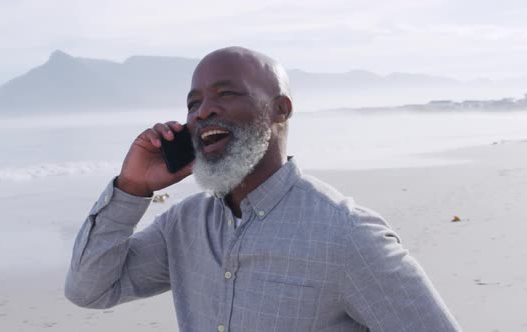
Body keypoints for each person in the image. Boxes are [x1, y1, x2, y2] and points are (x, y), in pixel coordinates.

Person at [65, 46, 461, 331]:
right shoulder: (183, 227)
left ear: (280, 110)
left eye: (226, 93)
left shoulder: (347, 236)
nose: (203, 111)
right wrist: (132, 188)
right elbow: (91, 290)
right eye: (194, 102)